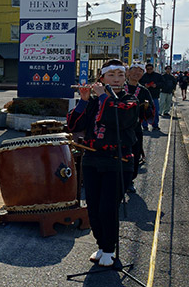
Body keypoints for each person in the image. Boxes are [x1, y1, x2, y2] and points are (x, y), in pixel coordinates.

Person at [67, 59, 140, 268]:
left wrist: (103, 96)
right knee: (93, 207)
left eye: (120, 75)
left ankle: (109, 249)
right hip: (91, 160)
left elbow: (121, 119)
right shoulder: (93, 101)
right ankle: (101, 245)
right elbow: (74, 125)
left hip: (118, 161)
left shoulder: (129, 100)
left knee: (108, 208)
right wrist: (83, 99)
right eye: (111, 75)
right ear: (101, 78)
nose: (116, 79)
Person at [125, 62, 154, 192]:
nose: (137, 73)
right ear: (128, 72)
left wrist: (146, 108)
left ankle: (130, 180)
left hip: (135, 128)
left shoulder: (143, 91)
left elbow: (151, 111)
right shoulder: (119, 87)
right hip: (118, 127)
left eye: (140, 71)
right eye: (134, 70)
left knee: (135, 154)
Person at [140, 63, 164, 130]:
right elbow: (138, 83)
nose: (149, 70)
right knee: (144, 111)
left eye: (150, 69)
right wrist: (144, 85)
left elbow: (162, 83)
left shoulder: (158, 76)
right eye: (148, 69)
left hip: (154, 96)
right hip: (144, 97)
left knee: (155, 111)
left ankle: (155, 125)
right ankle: (144, 125)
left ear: (153, 69)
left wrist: (156, 85)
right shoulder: (143, 76)